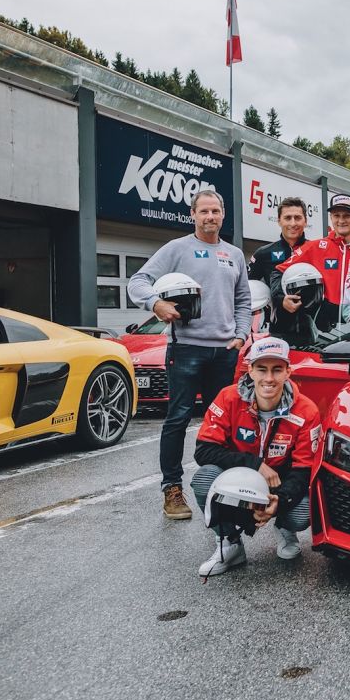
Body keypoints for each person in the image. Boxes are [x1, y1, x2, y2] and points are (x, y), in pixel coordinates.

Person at [128, 189, 251, 520]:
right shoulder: (177, 249)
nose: (210, 217)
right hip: (186, 349)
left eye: (216, 211)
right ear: (192, 215)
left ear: (223, 215)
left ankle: (223, 484)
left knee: (221, 422)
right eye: (204, 211)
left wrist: (240, 336)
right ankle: (172, 489)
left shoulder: (234, 254)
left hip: (224, 351)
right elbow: (137, 281)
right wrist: (156, 303)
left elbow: (243, 301)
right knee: (178, 418)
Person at [190, 337, 322, 576]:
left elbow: (304, 471)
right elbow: (203, 450)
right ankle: (229, 543)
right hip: (236, 481)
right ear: (249, 370)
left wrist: (279, 502)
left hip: (278, 486)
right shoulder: (228, 398)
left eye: (277, 370)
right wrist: (255, 464)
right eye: (262, 369)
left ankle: (284, 528)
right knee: (204, 477)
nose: (269, 378)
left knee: (304, 510)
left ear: (288, 371)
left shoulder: (307, 410)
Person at [271, 192, 350, 332]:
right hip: (326, 331)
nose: (341, 220)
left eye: (347, 215)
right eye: (336, 215)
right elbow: (278, 271)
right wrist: (281, 298)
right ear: (331, 217)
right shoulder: (315, 247)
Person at [247, 196, 309, 286]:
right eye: (287, 218)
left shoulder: (316, 250)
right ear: (279, 221)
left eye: (297, 218)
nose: (293, 223)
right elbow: (245, 286)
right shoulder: (263, 253)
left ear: (305, 221)